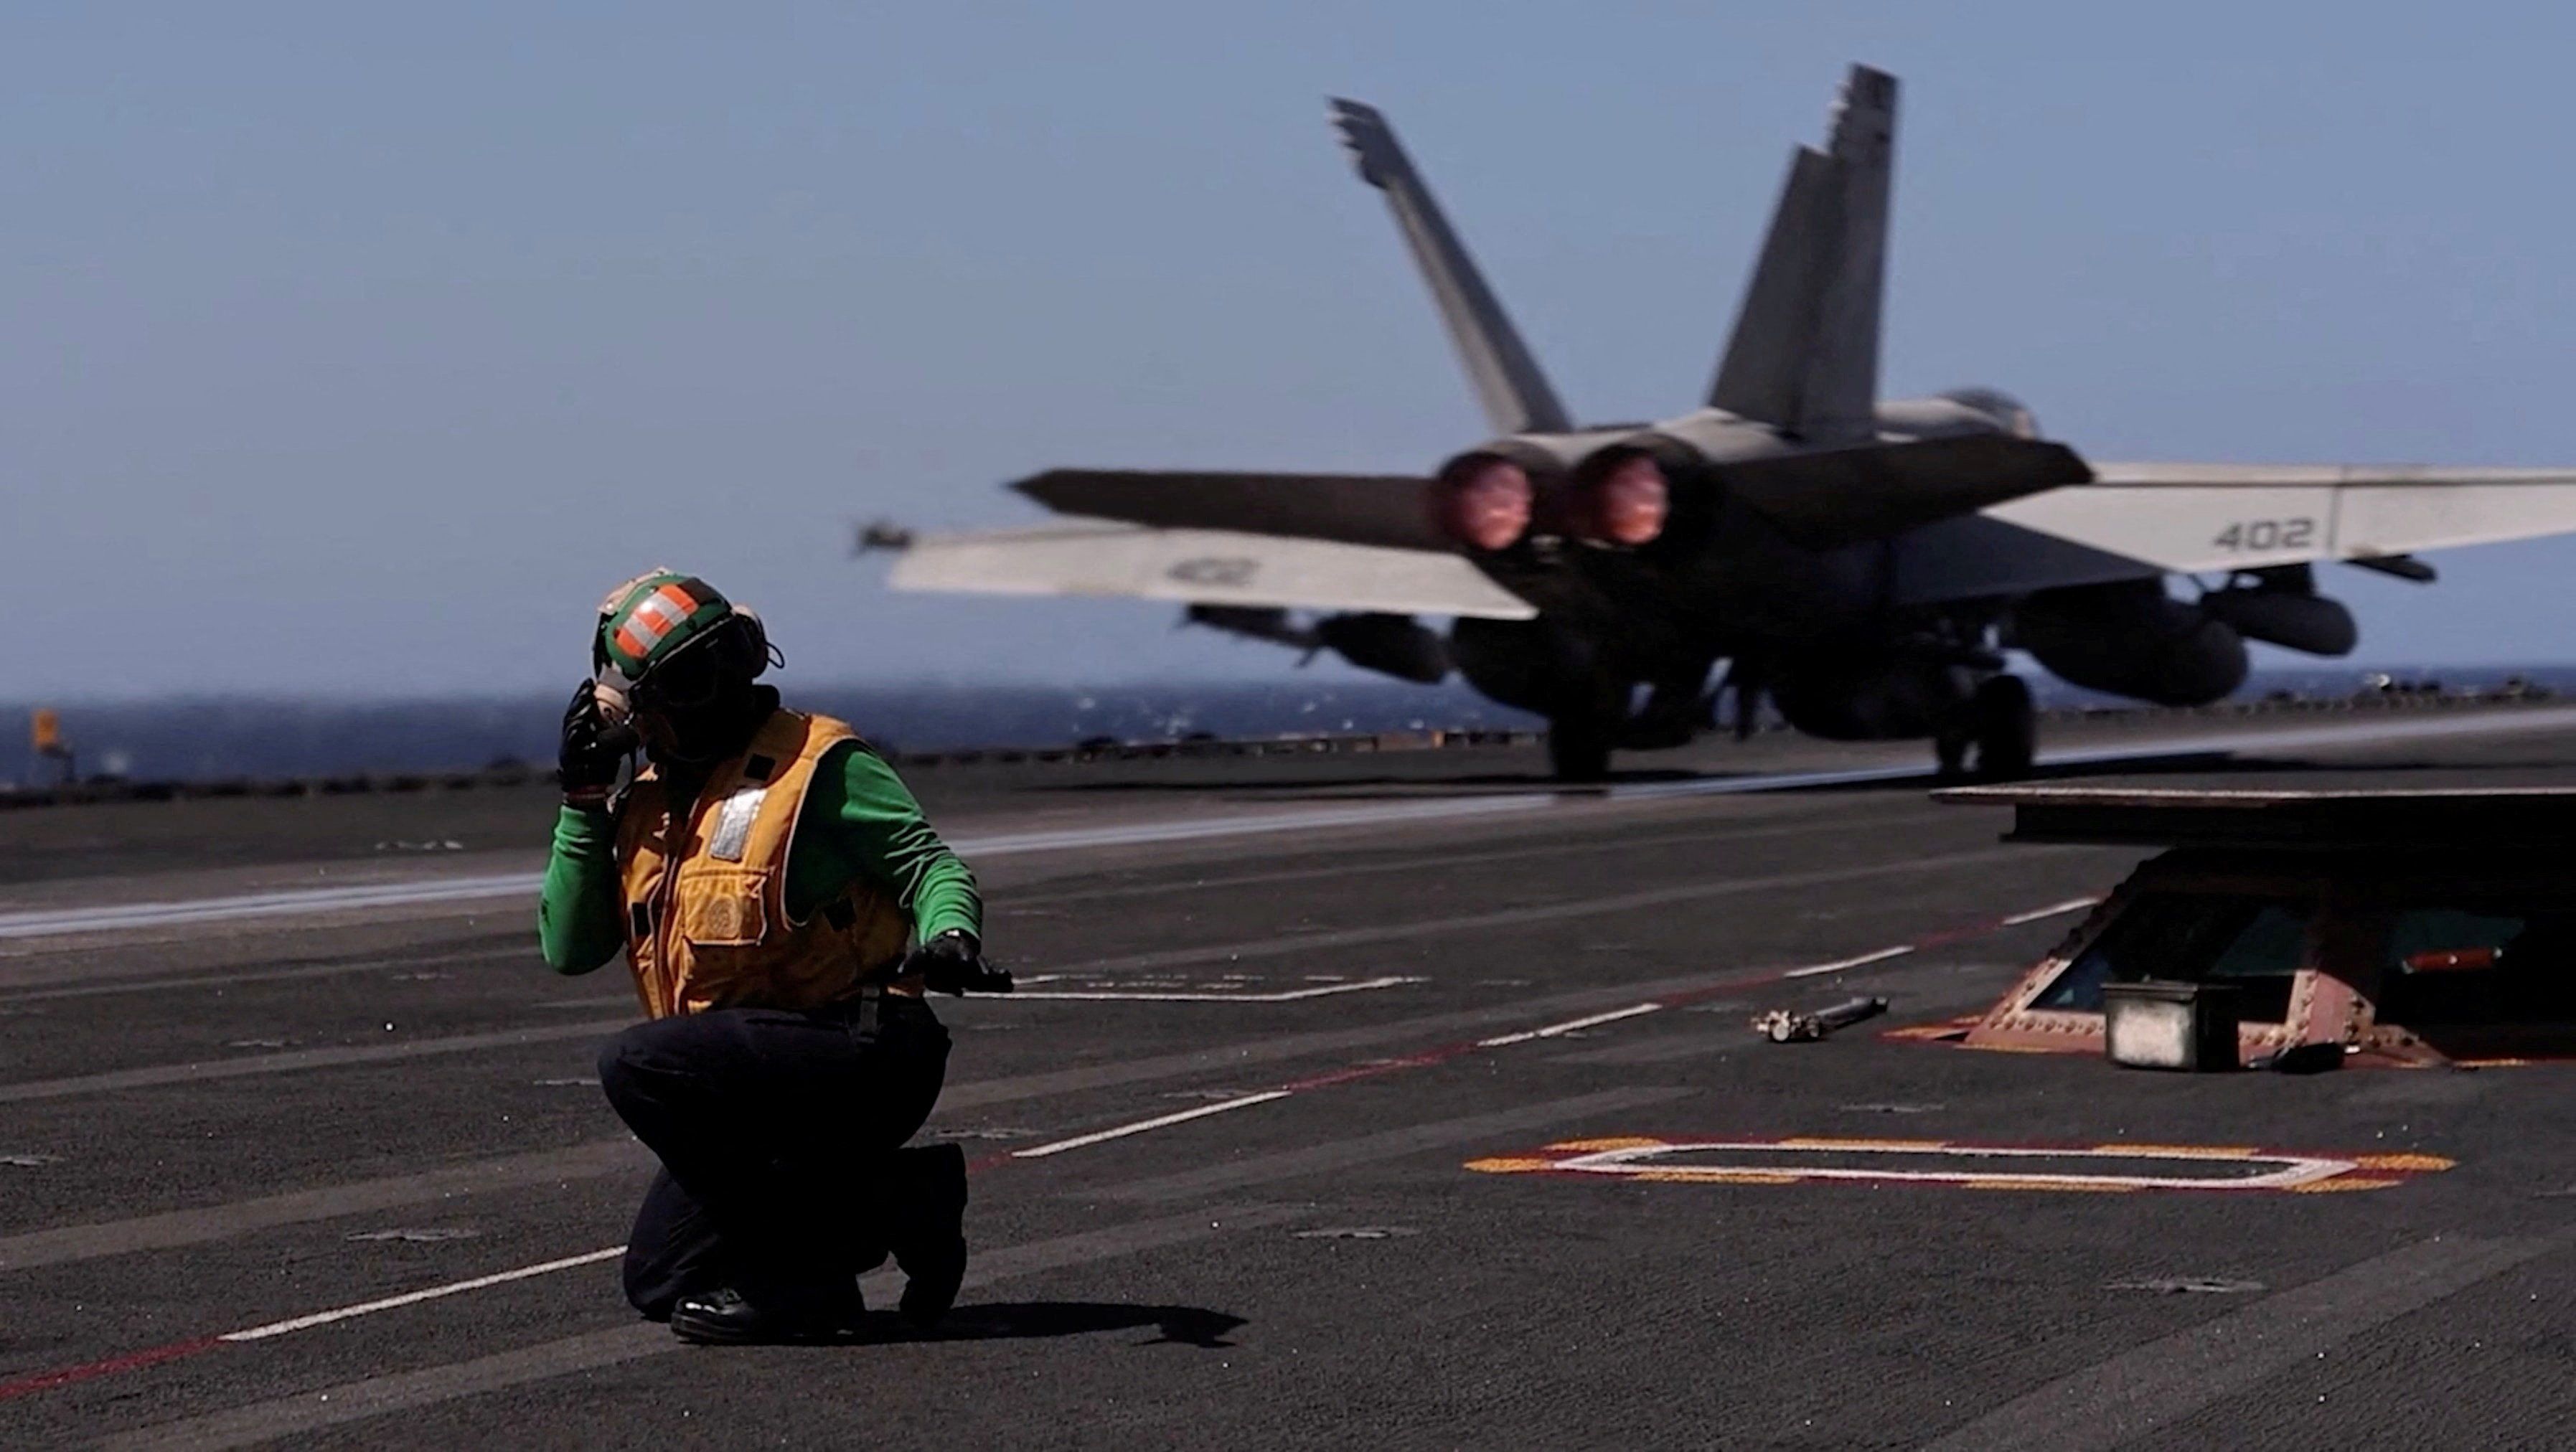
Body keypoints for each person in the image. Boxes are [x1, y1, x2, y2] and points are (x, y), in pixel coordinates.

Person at [537, 570, 1005, 1344]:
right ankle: (902, 1198)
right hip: (748, 1077)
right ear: (632, 706)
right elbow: (570, 948)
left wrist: (952, 934)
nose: (716, 692)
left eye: (727, 661)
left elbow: (931, 865)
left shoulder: (819, 766)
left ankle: (808, 1286)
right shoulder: (645, 806)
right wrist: (583, 801)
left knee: (639, 1062)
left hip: (866, 1049)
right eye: (686, 682)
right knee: (663, 1280)